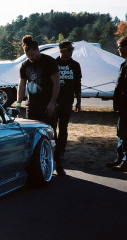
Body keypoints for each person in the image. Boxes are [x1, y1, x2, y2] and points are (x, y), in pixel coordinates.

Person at [16, 35, 60, 127]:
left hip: (47, 104)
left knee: (49, 132)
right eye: (28, 56)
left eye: (32, 55)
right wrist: (18, 103)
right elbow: (22, 85)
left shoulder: (49, 62)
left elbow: (56, 83)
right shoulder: (25, 65)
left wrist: (52, 103)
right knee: (32, 131)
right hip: (31, 105)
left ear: (37, 50)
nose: (30, 58)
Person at [53, 40, 82, 176]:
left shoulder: (75, 65)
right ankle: (54, 151)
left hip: (67, 102)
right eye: (69, 49)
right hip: (54, 101)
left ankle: (61, 151)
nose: (71, 52)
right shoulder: (54, 64)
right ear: (61, 50)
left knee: (63, 128)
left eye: (72, 49)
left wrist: (79, 101)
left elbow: (77, 84)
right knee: (52, 127)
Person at [107, 35, 127, 172]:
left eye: (120, 47)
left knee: (125, 134)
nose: (118, 49)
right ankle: (120, 159)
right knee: (120, 133)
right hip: (122, 106)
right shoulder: (124, 64)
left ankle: (125, 162)